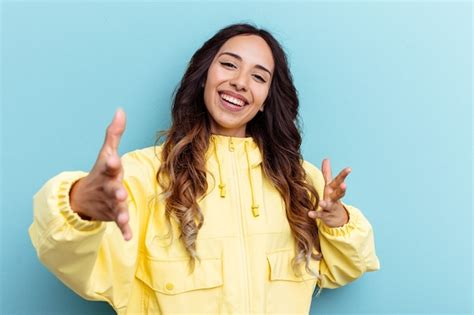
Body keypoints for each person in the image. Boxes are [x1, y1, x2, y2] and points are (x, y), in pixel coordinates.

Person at [29, 23, 380, 314]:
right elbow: (83, 267)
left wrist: (340, 222)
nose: (241, 81)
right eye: (229, 65)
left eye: (259, 77)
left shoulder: (300, 181)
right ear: (203, 77)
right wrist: (79, 206)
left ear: (265, 101)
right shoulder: (145, 173)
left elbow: (345, 268)